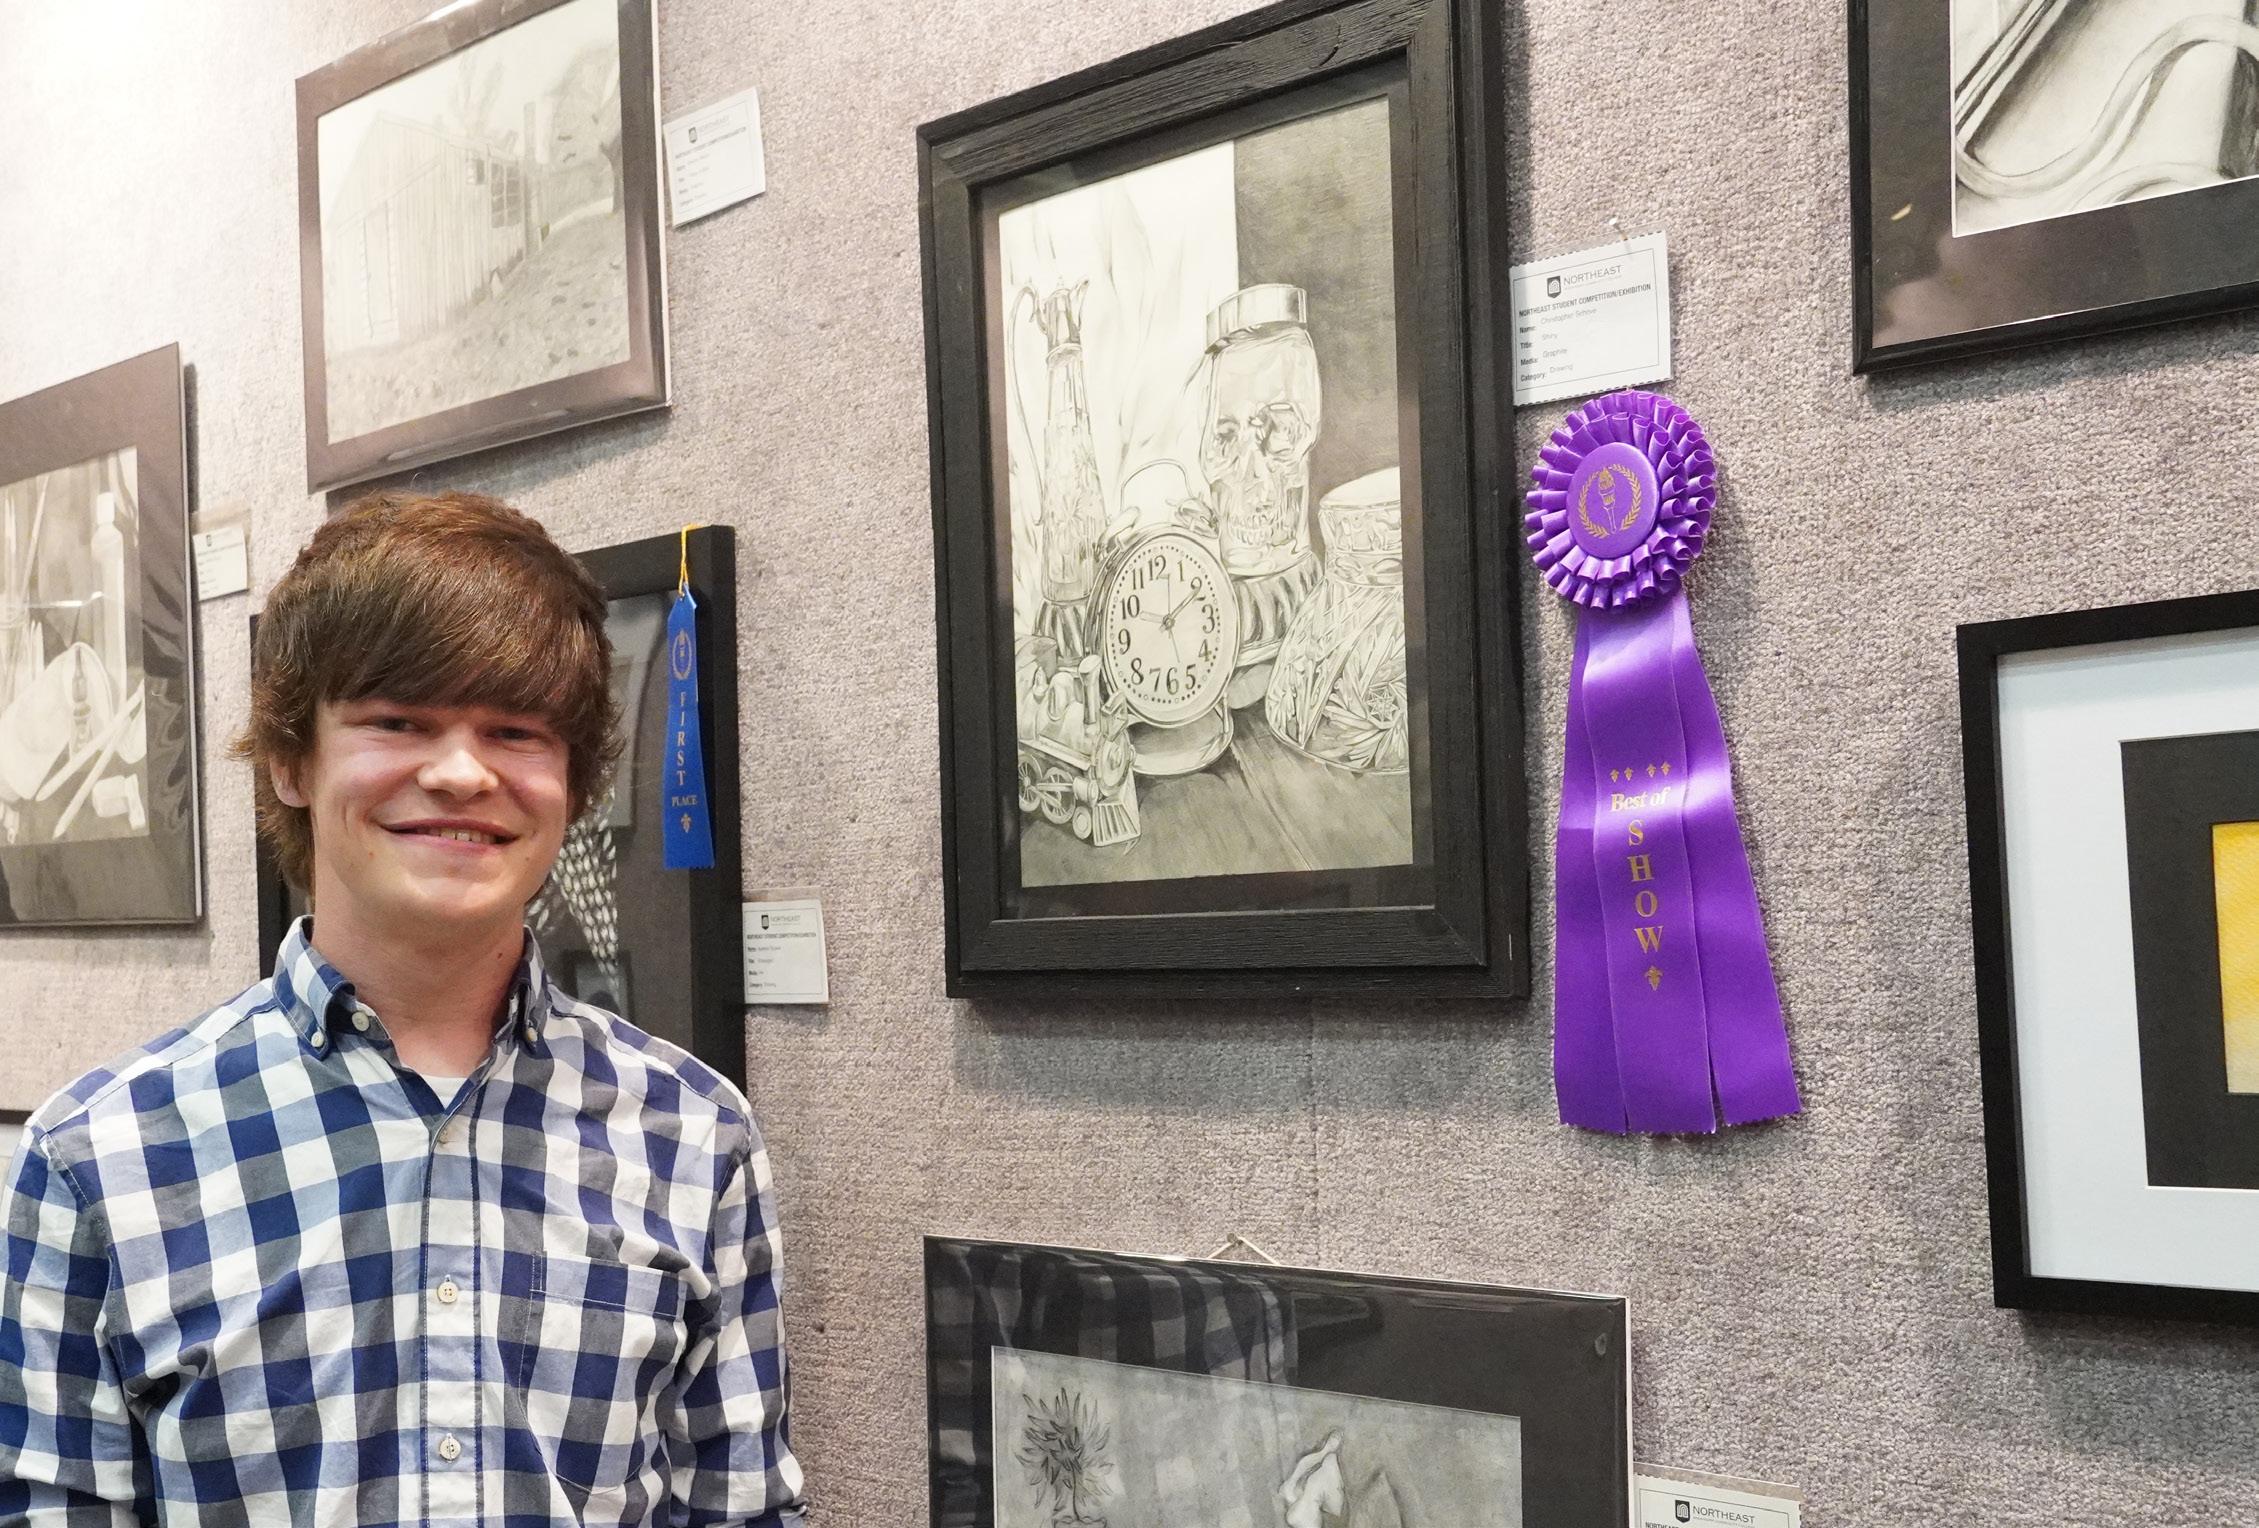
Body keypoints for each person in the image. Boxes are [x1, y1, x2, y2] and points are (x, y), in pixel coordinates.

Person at [0, 491, 806, 1527]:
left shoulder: (693, 1132)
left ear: (573, 782)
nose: (463, 772)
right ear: (292, 759)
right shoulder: (100, 1157)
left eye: (515, 731)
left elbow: (737, 1507)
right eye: (397, 721)